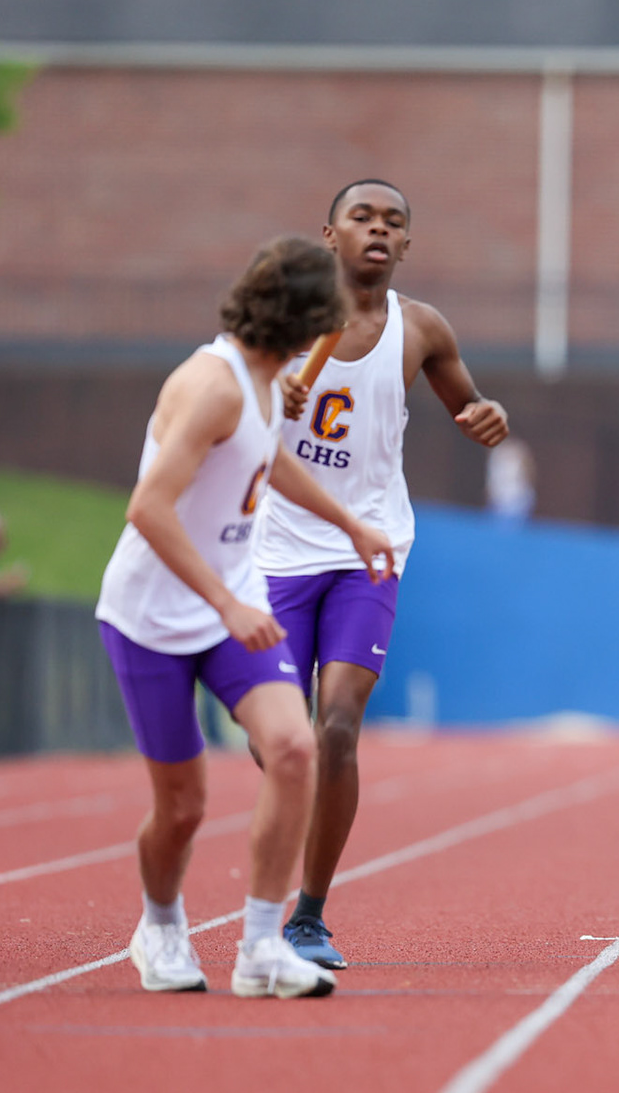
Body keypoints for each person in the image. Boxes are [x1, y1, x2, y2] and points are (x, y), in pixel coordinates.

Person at [95, 236, 395, 999]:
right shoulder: (215, 385)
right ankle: (160, 926)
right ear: (300, 319)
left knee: (295, 749)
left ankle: (262, 948)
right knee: (184, 806)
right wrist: (225, 601)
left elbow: (270, 460)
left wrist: (351, 523)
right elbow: (148, 508)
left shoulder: (268, 382)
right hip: (154, 616)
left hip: (231, 609)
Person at [253, 179, 509, 971]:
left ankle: (309, 914)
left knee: (336, 729)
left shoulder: (420, 329)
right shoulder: (282, 320)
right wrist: (271, 394)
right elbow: (223, 407)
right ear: (328, 234)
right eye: (361, 217)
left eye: (392, 222)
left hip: (370, 551)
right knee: (282, 741)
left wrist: (487, 420)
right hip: (276, 550)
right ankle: (286, 848)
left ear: (406, 246)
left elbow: (470, 409)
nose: (377, 230)